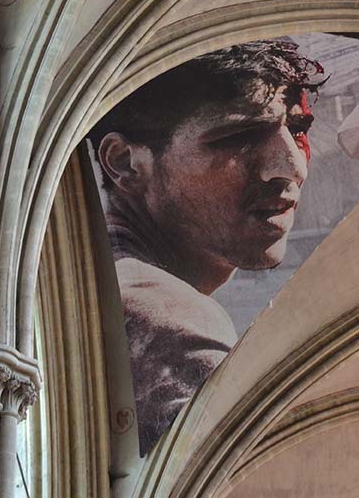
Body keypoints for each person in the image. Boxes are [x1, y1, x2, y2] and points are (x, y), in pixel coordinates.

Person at [90, 40, 324, 454]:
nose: (293, 167)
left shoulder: (97, 284)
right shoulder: (172, 325)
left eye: (298, 130)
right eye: (241, 137)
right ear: (125, 162)